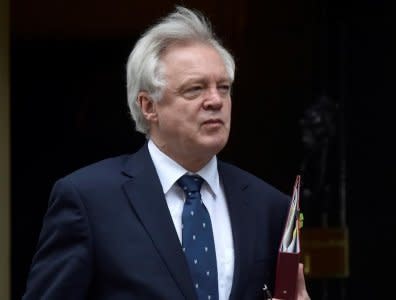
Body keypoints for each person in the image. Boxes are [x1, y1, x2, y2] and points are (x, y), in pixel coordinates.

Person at [23, 6, 310, 300]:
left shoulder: (269, 207)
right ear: (149, 106)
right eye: (195, 89)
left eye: (223, 88)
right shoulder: (88, 200)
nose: (215, 100)